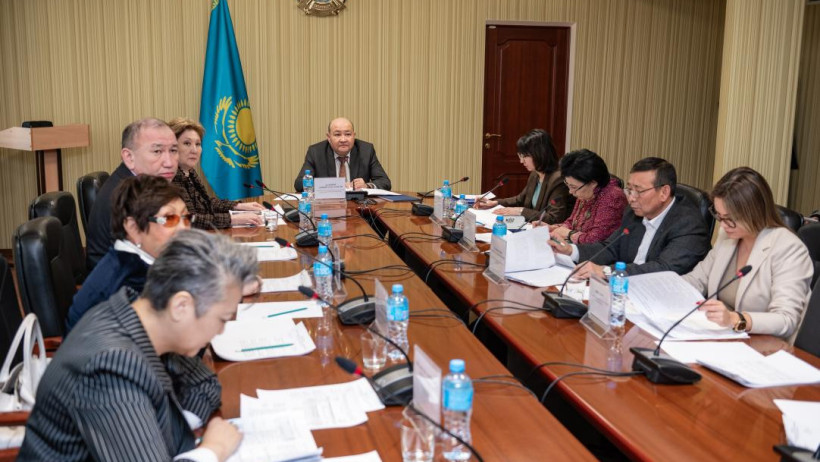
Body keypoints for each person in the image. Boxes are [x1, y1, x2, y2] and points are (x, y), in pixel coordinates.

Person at [18, 230, 258, 462]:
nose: (221, 331)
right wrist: (213, 450)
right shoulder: (111, 365)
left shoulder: (140, 312)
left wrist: (169, 430)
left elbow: (205, 384)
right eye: (222, 319)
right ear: (181, 306)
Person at [683, 167, 812, 341]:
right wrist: (661, 289)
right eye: (719, 216)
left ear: (754, 212)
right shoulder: (728, 235)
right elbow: (698, 279)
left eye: (729, 218)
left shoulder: (789, 248)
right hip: (722, 338)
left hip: (765, 346)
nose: (723, 225)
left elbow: (786, 319)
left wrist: (735, 319)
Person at [65, 175, 191, 333]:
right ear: (133, 227)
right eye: (169, 218)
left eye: (186, 217)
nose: (183, 228)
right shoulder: (128, 284)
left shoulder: (135, 261)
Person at [551, 157, 711, 279]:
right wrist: (571, 250)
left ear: (664, 192)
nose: (631, 198)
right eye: (629, 189)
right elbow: (611, 248)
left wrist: (606, 271)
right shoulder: (634, 212)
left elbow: (664, 269)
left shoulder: (688, 224)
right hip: (626, 291)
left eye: (638, 191)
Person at [86, 118, 179, 270]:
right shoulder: (127, 198)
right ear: (129, 157)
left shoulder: (141, 185)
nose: (169, 163)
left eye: (173, 151)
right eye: (157, 151)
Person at [169, 117, 264, 229]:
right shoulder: (171, 177)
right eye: (187, 143)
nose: (194, 150)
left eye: (198, 144)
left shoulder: (189, 172)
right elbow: (189, 220)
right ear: (172, 147)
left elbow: (206, 203)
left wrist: (238, 206)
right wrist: (233, 219)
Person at [475, 129, 574, 223]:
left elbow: (554, 218)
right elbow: (520, 199)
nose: (521, 161)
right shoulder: (535, 174)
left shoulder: (558, 179)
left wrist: (520, 211)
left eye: (525, 156)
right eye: (521, 156)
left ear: (540, 154)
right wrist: (495, 203)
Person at [547, 149, 627, 243]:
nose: (570, 192)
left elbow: (595, 239)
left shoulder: (612, 197)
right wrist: (554, 228)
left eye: (573, 187)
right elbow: (571, 222)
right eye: (567, 185)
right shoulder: (586, 191)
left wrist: (569, 234)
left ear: (593, 183)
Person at [294, 117, 391, 191]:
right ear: (329, 137)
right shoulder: (316, 152)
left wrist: (367, 186)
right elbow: (299, 184)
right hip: (328, 206)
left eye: (348, 134)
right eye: (337, 134)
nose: (343, 139)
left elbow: (385, 182)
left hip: (358, 206)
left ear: (354, 136)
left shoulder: (366, 150)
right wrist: (333, 186)